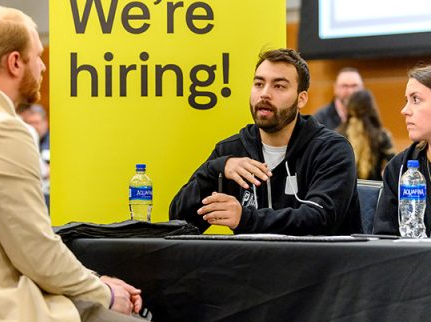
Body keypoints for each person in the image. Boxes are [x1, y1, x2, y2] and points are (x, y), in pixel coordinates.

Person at [0, 5, 195, 322]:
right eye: (38, 56)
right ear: (15, 63)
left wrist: (96, 281)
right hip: (3, 320)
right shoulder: (4, 130)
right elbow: (36, 254)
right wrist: (104, 292)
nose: (44, 67)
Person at [169, 48, 362, 235]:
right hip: (250, 258)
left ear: (301, 99)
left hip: (319, 258)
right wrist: (214, 170)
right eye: (259, 84)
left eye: (279, 86)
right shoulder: (232, 152)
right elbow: (179, 223)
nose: (265, 94)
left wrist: (245, 219)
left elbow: (320, 220)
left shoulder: (331, 150)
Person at [374, 64, 431, 236]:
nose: (404, 111)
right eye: (407, 101)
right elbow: (384, 238)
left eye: (416, 99)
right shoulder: (399, 168)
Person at [337, 89, 395, 180]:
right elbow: (393, 167)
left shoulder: (337, 135)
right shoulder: (382, 136)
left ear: (349, 108)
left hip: (345, 187)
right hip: (373, 187)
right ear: (371, 108)